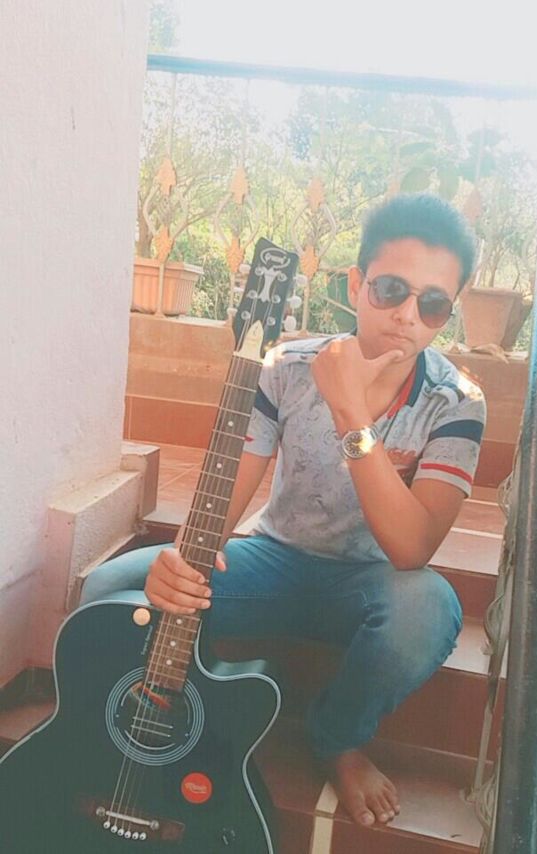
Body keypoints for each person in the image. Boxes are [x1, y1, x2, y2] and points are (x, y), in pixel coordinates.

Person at [80, 192, 486, 828]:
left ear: (449, 312)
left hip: (375, 582)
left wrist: (350, 410)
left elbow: (412, 548)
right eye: (390, 290)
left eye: (432, 303)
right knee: (107, 586)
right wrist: (182, 562)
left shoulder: (456, 401)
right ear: (355, 284)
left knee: (428, 610)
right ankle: (159, 712)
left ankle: (337, 738)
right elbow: (227, 488)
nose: (408, 315)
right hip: (272, 561)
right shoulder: (287, 367)